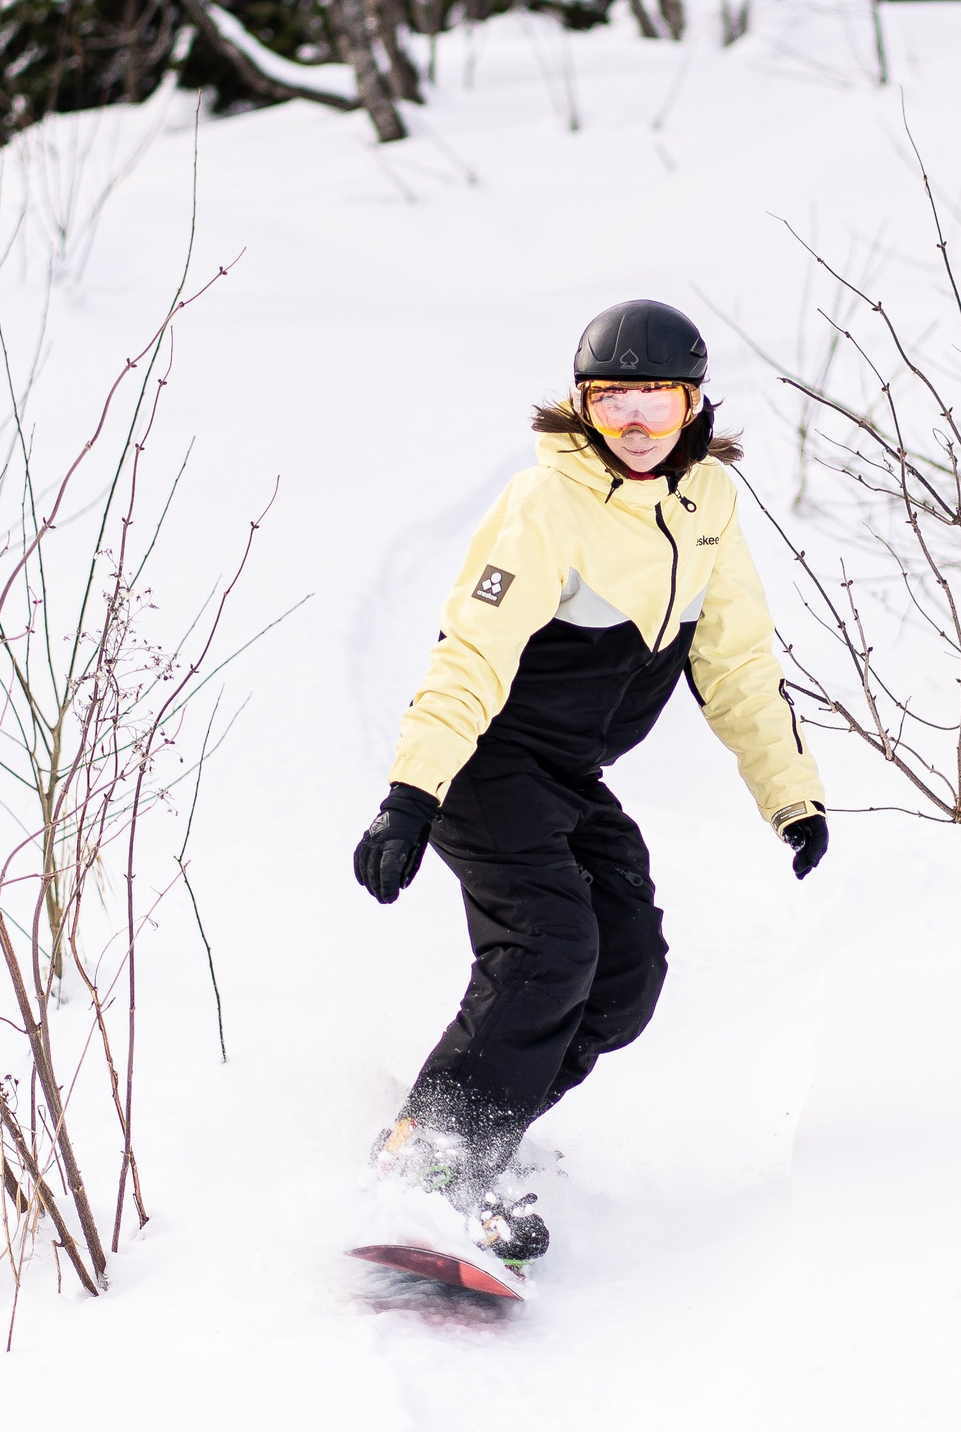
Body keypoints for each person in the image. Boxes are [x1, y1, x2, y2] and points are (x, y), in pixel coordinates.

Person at [350, 299, 828, 1266]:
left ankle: (478, 1136)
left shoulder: (709, 507)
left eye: (658, 399)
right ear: (583, 408)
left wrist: (790, 794)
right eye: (614, 403)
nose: (638, 424)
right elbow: (468, 659)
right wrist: (410, 796)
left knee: (625, 978)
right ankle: (428, 1166)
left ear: (695, 405)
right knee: (550, 947)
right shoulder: (546, 507)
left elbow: (735, 662)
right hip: (484, 762)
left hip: (568, 773)